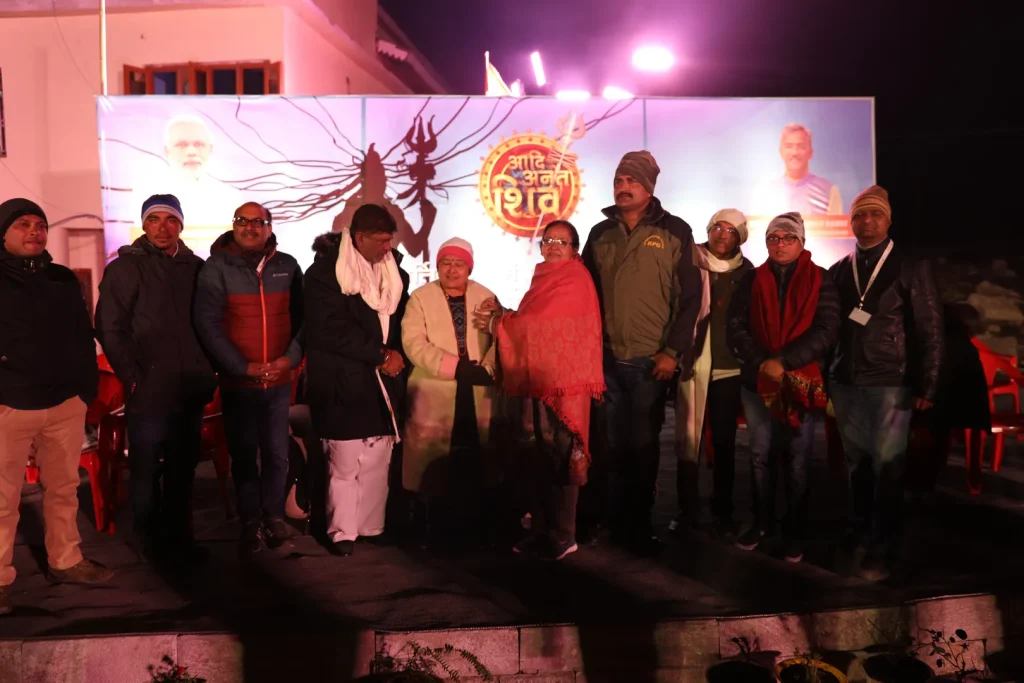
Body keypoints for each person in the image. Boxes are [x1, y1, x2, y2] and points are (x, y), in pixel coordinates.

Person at [582, 150, 703, 555]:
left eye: (631, 180)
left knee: (643, 447)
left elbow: (690, 299)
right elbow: (584, 294)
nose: (623, 186)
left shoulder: (675, 231)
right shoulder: (600, 233)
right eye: (618, 179)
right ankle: (614, 522)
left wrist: (672, 352)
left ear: (649, 188)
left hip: (650, 360)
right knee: (610, 447)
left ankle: (639, 523)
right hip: (606, 359)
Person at [0, 199, 112, 615]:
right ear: (3, 233)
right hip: (10, 404)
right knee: (2, 498)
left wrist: (83, 391)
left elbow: (83, 335)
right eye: (23, 224)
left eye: (40, 224)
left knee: (64, 489)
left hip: (64, 404)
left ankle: (65, 560)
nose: (34, 231)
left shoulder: (62, 279)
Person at [828, 185, 942, 581]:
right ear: (851, 222)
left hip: (891, 381)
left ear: (889, 220)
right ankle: (859, 528)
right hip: (846, 381)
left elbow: (931, 329)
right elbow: (830, 329)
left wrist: (928, 385)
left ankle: (883, 542)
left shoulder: (910, 266)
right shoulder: (840, 269)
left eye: (875, 214)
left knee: (888, 466)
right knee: (857, 464)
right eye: (860, 215)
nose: (867, 221)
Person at [95, 194, 217, 565]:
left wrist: (208, 368)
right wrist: (132, 376)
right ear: (144, 225)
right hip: (148, 386)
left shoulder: (196, 267)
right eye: (154, 219)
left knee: (182, 467)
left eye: (170, 220)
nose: (162, 228)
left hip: (189, 385)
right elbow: (109, 327)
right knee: (146, 468)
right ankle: (150, 543)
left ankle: (180, 538)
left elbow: (210, 323)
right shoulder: (125, 268)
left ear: (181, 225)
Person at [481, 221, 605, 560]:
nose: (553, 246)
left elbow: (540, 327)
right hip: (538, 383)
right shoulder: (542, 279)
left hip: (564, 388)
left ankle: (564, 534)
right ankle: (539, 529)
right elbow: (531, 324)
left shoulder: (575, 278)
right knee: (533, 456)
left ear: (574, 249)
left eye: (562, 241)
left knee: (560, 457)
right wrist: (506, 317)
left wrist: (497, 323)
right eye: (548, 240)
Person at [726, 212, 840, 562]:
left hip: (800, 381)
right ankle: (762, 523)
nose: (780, 244)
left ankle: (795, 531)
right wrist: (764, 362)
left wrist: (784, 362)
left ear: (801, 242)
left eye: (788, 237)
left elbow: (826, 330)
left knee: (797, 459)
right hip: (759, 381)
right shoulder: (752, 279)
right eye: (773, 237)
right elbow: (736, 325)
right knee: (760, 456)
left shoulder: (821, 279)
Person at [193, 202, 304, 557]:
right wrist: (241, 367)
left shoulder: (288, 265)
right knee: (243, 455)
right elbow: (207, 324)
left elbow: (304, 321)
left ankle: (273, 517)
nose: (250, 227)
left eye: (258, 222)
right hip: (238, 382)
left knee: (277, 454)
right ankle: (249, 521)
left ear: (269, 227)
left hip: (279, 381)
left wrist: (289, 360)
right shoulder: (216, 267)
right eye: (243, 220)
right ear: (234, 225)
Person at [304, 204, 409, 557]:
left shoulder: (397, 275)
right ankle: (342, 532)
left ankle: (371, 526)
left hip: (382, 382)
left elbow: (400, 324)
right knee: (345, 460)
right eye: (381, 241)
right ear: (359, 238)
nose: (387, 248)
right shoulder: (324, 274)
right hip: (340, 380)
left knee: (378, 457)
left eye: (390, 241)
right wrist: (381, 355)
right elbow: (330, 330)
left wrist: (394, 357)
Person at [402, 237, 496, 545]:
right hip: (434, 388)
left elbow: (501, 338)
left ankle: (470, 529)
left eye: (459, 264)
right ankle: (429, 529)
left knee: (473, 459)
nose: (452, 270)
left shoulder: (486, 297)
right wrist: (454, 367)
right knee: (431, 461)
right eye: (446, 263)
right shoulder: (420, 297)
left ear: (469, 268)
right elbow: (413, 343)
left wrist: (487, 369)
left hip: (477, 390)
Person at [670, 209, 754, 537]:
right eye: (718, 227)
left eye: (731, 231)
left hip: (729, 367)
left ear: (740, 238)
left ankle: (723, 511)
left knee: (724, 443)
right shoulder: (688, 261)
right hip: (691, 362)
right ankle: (686, 510)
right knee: (687, 441)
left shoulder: (746, 271)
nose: (723, 234)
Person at [751, 124, 843, 217]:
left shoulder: (829, 191)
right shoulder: (764, 193)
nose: (794, 153)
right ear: (781, 152)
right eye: (789, 146)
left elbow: (836, 226)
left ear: (810, 152)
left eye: (801, 147)